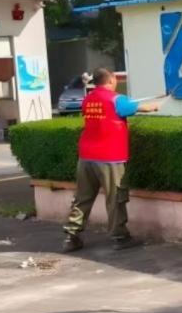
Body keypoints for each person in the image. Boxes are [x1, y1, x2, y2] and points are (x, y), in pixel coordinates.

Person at [62, 68, 159, 252]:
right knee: (115, 198)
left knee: (82, 198)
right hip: (110, 157)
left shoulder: (88, 99)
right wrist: (155, 106)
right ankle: (120, 237)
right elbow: (142, 108)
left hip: (86, 156)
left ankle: (71, 237)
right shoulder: (116, 99)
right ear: (112, 80)